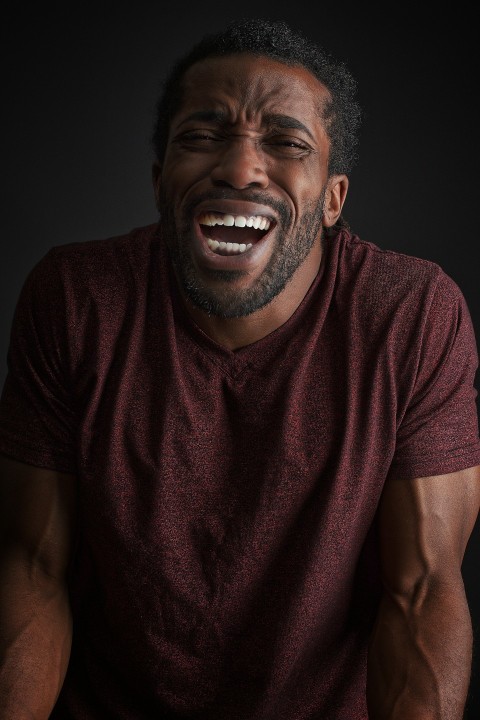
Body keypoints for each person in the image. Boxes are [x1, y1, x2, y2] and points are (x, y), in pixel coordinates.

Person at [1, 18, 479, 720]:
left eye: (286, 143)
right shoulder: (77, 298)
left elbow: (420, 595)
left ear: (333, 200)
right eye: (202, 137)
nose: (238, 169)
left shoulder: (409, 315)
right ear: (161, 182)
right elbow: (31, 566)